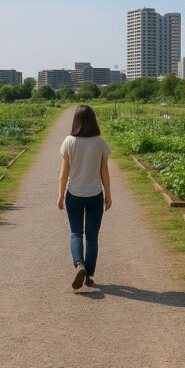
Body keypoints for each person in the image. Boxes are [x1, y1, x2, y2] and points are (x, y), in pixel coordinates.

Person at [57, 105, 112, 290]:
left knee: (76, 233)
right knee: (92, 237)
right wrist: (108, 195)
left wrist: (60, 195)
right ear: (93, 121)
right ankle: (88, 275)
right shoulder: (100, 143)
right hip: (95, 194)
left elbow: (63, 173)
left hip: (74, 194)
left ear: (76, 121)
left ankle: (79, 264)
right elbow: (105, 172)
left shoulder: (69, 141)